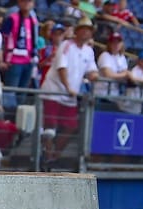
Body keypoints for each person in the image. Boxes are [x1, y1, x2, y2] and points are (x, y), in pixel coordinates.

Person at [39, 17, 98, 168]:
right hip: (54, 91)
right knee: (49, 127)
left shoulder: (89, 51)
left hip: (70, 96)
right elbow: (61, 68)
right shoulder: (66, 45)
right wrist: (68, 87)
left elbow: (92, 72)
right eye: (83, 29)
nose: (85, 32)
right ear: (77, 31)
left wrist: (97, 77)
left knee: (71, 126)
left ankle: (54, 154)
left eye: (88, 30)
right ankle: (46, 155)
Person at [0, 0, 40, 110]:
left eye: (29, 1)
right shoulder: (12, 18)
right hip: (14, 61)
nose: (26, 3)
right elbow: (4, 37)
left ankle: (17, 121)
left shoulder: (33, 19)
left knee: (22, 94)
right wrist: (5, 58)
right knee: (10, 93)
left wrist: (34, 56)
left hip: (28, 61)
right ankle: (7, 119)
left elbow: (33, 40)